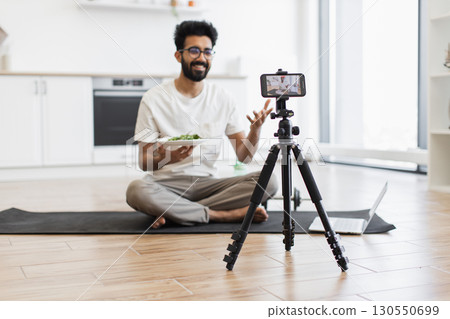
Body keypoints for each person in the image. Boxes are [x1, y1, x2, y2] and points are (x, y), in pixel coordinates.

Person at [126, 20, 278, 229]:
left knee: (269, 182)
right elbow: (144, 162)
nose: (201, 58)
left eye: (207, 52)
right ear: (179, 55)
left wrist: (255, 130)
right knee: (136, 190)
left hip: (209, 184)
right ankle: (221, 215)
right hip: (167, 185)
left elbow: (245, 156)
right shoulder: (153, 98)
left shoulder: (224, 98)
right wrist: (166, 157)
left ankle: (174, 212)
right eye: (194, 51)